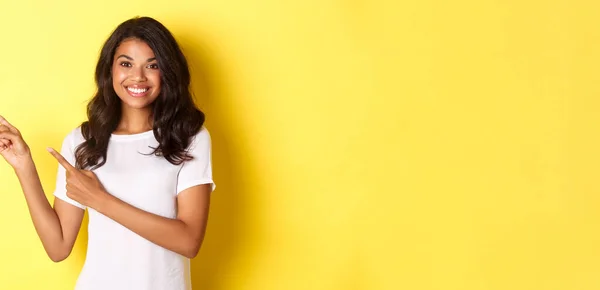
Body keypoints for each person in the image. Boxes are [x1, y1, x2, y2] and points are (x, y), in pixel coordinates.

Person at [0, 16, 215, 290]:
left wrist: (99, 200)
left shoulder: (189, 137)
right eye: (126, 64)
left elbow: (188, 241)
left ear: (168, 73)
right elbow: (58, 247)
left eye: (153, 65)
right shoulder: (83, 141)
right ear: (110, 70)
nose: (138, 76)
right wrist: (23, 165)